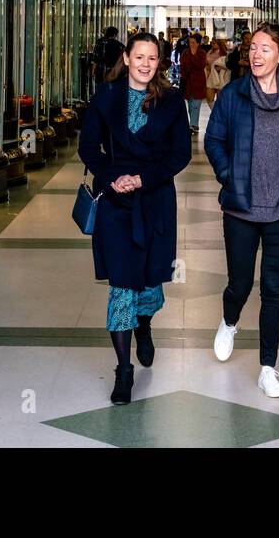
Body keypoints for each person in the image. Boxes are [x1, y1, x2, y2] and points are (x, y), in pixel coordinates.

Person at [78, 32, 192, 404]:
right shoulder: (106, 95)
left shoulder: (172, 100)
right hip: (117, 201)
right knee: (122, 283)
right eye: (138, 56)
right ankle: (123, 369)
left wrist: (144, 178)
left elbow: (180, 155)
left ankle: (144, 325)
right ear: (126, 58)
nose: (145, 63)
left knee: (148, 283)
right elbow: (88, 146)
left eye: (152, 58)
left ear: (159, 62)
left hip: (155, 198)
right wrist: (113, 178)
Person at [204, 23, 279, 398]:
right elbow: (213, 139)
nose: (256, 54)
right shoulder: (233, 95)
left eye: (266, 49)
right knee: (240, 283)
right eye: (253, 48)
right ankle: (229, 321)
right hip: (241, 207)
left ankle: (268, 368)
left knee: (272, 288)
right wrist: (229, 174)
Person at [178, 33, 208, 135]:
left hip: (198, 82)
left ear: (198, 43)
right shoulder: (185, 52)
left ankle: (193, 125)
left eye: (193, 42)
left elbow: (200, 65)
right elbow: (182, 66)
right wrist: (182, 75)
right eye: (190, 42)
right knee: (190, 105)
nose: (191, 44)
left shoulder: (202, 53)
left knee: (196, 104)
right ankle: (193, 124)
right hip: (187, 82)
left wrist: (194, 55)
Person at [205, 38, 231, 107]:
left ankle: (219, 113)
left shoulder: (225, 53)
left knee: (221, 98)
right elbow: (206, 62)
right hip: (210, 75)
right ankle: (214, 112)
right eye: (212, 43)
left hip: (221, 76)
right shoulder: (210, 52)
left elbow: (227, 65)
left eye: (214, 43)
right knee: (209, 98)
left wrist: (219, 68)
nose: (212, 45)